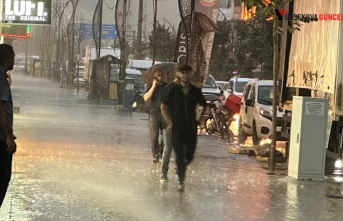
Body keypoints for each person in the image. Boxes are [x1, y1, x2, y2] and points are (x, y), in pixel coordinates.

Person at [161, 64, 206, 192]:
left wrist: (199, 119)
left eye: (188, 72)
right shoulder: (171, 88)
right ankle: (181, 180)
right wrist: (169, 122)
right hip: (176, 127)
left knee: (190, 154)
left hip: (191, 126)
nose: (186, 75)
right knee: (179, 153)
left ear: (191, 74)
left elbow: (203, 105)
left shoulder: (195, 91)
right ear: (179, 74)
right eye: (183, 72)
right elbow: (163, 107)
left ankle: (181, 167)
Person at [0, 44, 16, 207]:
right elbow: (1, 110)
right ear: (8, 58)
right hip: (0, 142)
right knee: (2, 178)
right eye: (13, 56)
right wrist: (9, 137)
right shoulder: (1, 81)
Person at [143, 70, 168, 163]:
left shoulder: (167, 86)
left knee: (165, 137)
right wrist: (153, 86)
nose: (160, 76)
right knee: (154, 136)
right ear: (154, 75)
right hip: (154, 113)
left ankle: (161, 152)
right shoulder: (150, 85)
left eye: (161, 74)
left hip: (164, 113)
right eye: (158, 75)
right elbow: (145, 97)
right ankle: (155, 154)